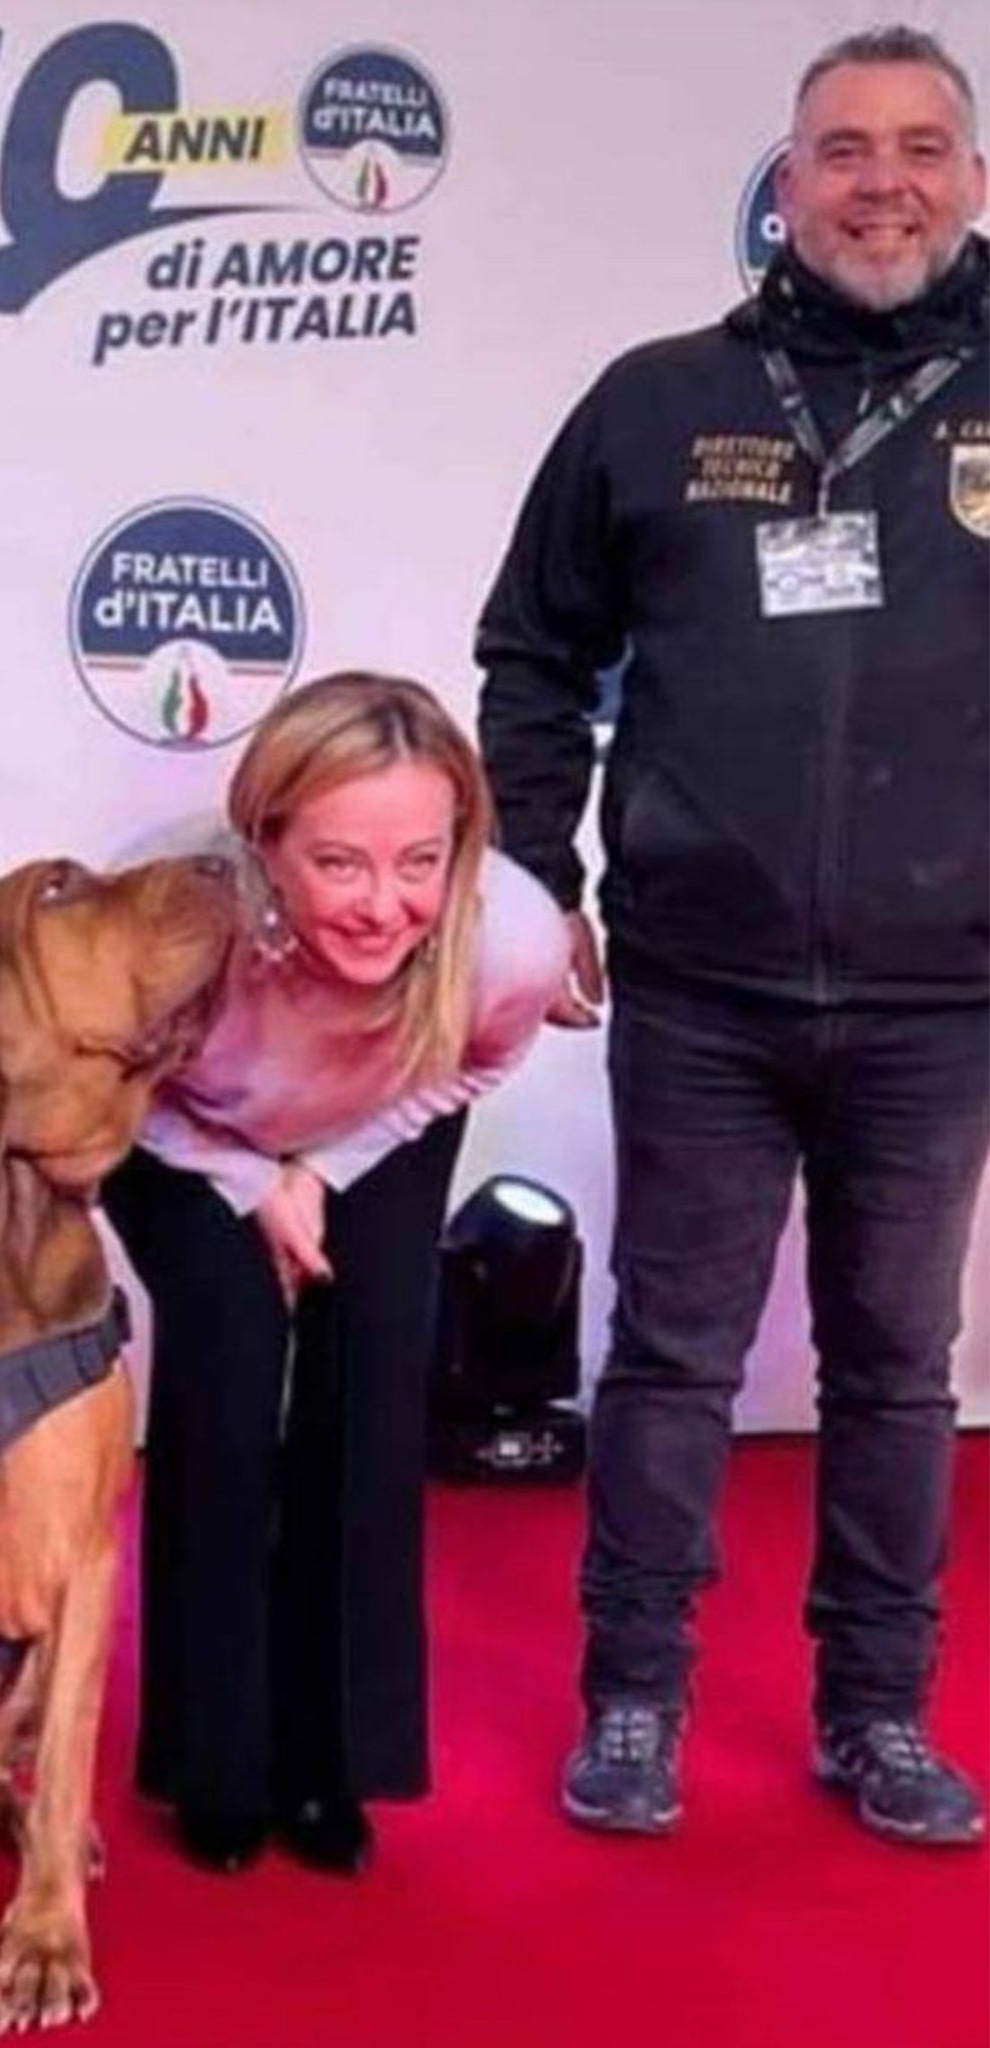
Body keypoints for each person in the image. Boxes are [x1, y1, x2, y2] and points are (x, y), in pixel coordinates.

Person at [476, 24, 988, 1847]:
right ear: (787, 182)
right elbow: (531, 652)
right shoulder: (657, 397)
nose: (883, 183)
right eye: (844, 151)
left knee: (899, 1366)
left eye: (922, 147)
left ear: (975, 179)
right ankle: (633, 1697)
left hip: (947, 993)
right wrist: (537, 880)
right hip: (701, 977)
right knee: (672, 1353)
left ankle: (878, 1709)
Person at [101, 672, 569, 1874]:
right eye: (340, 863)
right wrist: (254, 1179)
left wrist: (327, 1165)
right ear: (263, 842)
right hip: (181, 1131)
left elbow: (469, 1066)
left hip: (386, 1111)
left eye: (421, 859)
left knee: (369, 1387)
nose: (383, 904)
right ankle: (216, 1762)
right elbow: (104, 1082)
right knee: (226, 1369)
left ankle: (332, 1763)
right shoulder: (165, 920)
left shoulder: (509, 935)